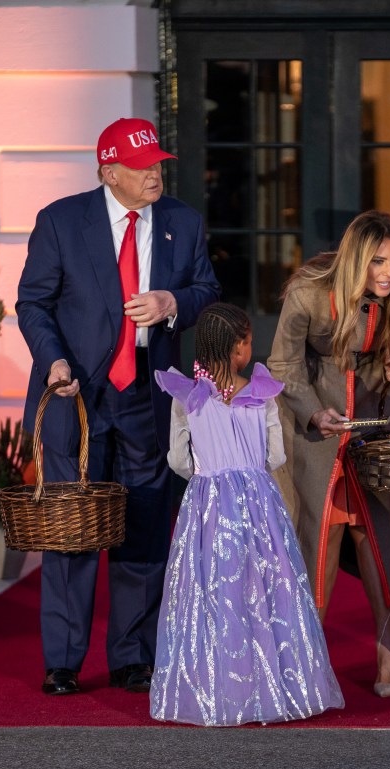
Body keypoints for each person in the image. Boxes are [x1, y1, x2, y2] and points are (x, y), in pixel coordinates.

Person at [15, 117, 221, 697]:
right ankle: (63, 661)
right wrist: (53, 362)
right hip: (73, 398)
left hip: (148, 398)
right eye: (142, 166)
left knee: (145, 525)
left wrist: (171, 301)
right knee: (69, 528)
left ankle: (133, 655)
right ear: (110, 172)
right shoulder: (60, 221)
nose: (154, 174)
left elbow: (208, 290)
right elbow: (33, 303)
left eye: (158, 163)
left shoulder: (182, 221)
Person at [150, 303, 343, 726]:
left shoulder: (187, 400)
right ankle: (275, 688)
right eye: (249, 340)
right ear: (239, 349)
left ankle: (220, 692)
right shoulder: (262, 396)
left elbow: (178, 461)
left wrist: (209, 472)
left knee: (214, 594)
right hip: (260, 509)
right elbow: (274, 456)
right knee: (267, 591)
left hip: (209, 510)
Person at [267, 210, 390, 697]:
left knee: (370, 530)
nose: (388, 272)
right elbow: (282, 361)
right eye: (378, 261)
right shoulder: (309, 291)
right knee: (324, 531)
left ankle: (387, 645)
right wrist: (314, 413)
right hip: (315, 426)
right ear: (357, 259)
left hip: (371, 423)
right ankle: (308, 652)